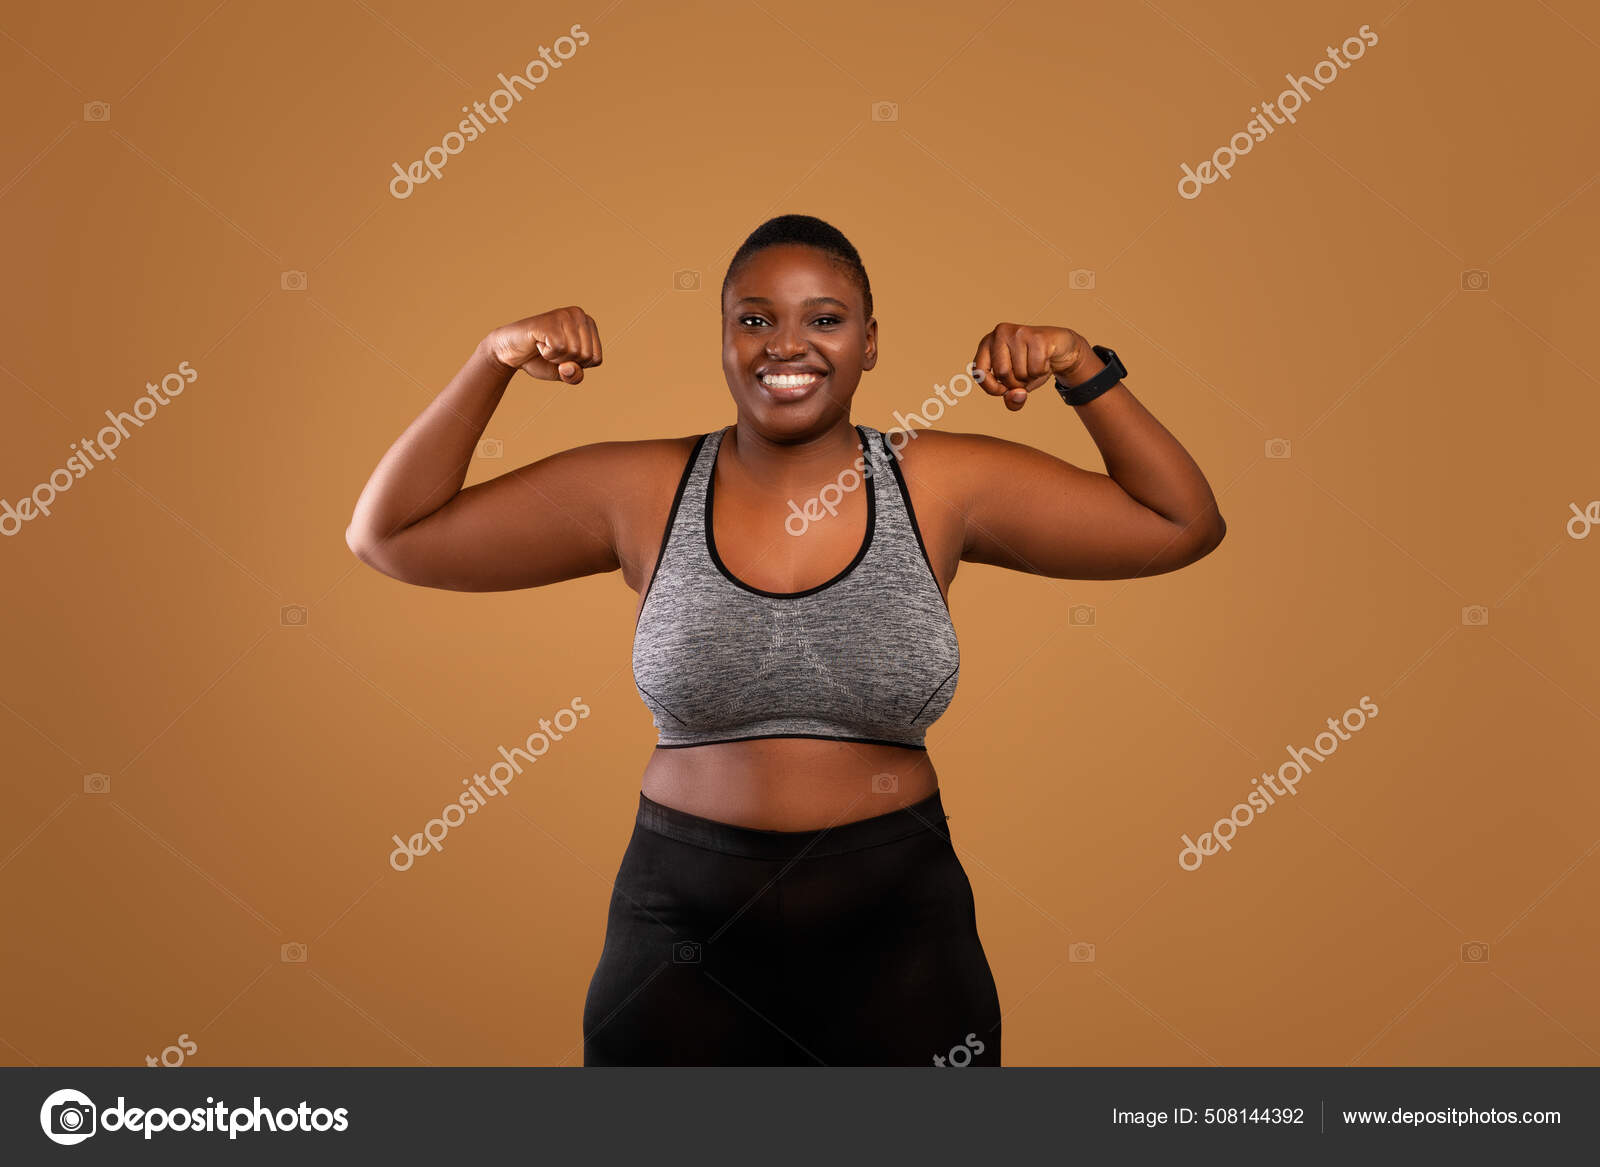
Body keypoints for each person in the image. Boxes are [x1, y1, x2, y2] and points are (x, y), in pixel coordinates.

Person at [345, 214, 1226, 1065]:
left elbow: (1180, 523)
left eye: (825, 319)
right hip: (680, 930)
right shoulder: (642, 486)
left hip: (901, 930)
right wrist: (490, 361)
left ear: (870, 342)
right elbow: (392, 536)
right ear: (724, 338)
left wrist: (1083, 368)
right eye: (755, 320)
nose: (786, 344)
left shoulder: (942, 478)